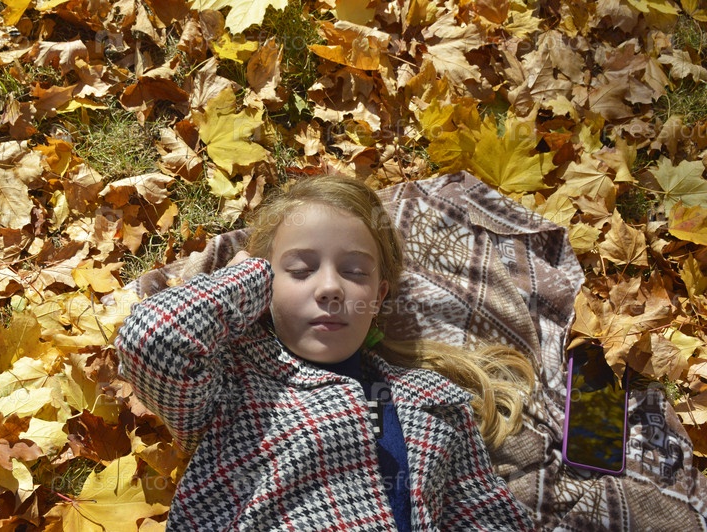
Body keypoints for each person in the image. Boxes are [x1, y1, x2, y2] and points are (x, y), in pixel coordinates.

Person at [115, 175, 536, 531]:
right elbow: (152, 340)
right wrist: (246, 277)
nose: (331, 288)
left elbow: (490, 517)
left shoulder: (435, 402)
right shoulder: (232, 379)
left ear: (378, 297)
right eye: (300, 270)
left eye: (354, 272)